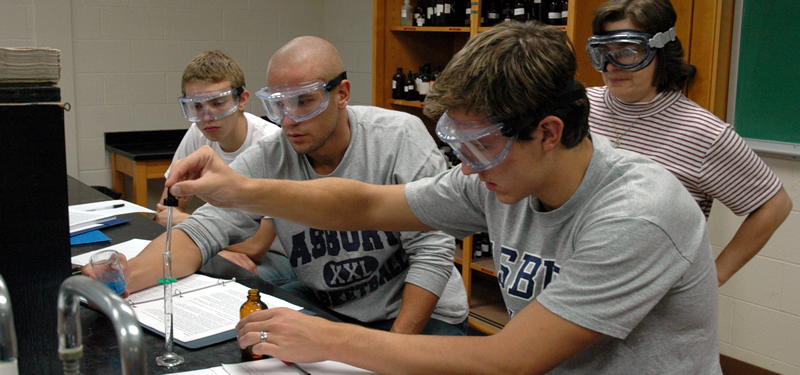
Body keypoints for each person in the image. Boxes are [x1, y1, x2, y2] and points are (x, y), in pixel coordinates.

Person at [166, 22, 722, 374]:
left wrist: (332, 340)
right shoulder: (497, 176)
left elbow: (507, 359)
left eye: (479, 145)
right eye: (458, 145)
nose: (468, 166)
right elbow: (365, 205)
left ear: (549, 132)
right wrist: (240, 189)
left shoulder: (636, 214)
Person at [107, 36, 470, 336]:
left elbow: (432, 251)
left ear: (342, 94)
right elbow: (204, 231)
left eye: (305, 101)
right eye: (278, 105)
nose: (289, 119)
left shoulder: (397, 137)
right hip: (331, 307)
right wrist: (122, 279)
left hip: (418, 317)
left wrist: (390, 349)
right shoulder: (272, 154)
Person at [585, 0, 792, 286]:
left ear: (662, 52)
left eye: (627, 52)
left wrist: (712, 276)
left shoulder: (702, 132)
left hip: (652, 303)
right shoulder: (580, 108)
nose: (610, 65)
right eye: (602, 52)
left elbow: (775, 205)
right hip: (582, 280)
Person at [154, 50, 296, 286]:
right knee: (169, 268)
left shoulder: (271, 145)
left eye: (218, 104)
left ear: (242, 100)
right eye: (196, 106)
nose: (206, 117)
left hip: (280, 256)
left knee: (207, 278)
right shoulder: (197, 134)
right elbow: (165, 212)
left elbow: (256, 246)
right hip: (224, 245)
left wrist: (187, 224)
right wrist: (215, 250)